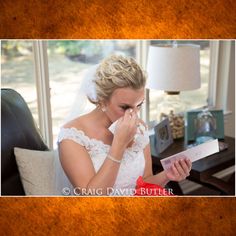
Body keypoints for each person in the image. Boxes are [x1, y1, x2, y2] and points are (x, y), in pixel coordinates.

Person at [57, 55, 192, 196]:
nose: (133, 115)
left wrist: (167, 175)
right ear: (102, 101)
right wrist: (119, 145)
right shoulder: (72, 137)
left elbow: (144, 183)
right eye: (125, 107)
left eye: (139, 105)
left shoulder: (139, 127)